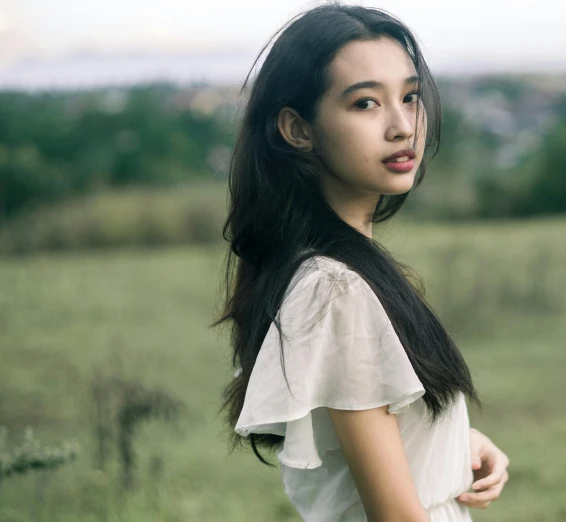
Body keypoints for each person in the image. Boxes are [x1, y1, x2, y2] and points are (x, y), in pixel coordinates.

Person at [212, 2, 509, 520]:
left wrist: (452, 441)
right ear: (297, 129)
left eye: (410, 96)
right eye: (366, 103)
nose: (402, 126)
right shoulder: (333, 289)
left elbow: (359, 438)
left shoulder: (334, 269)